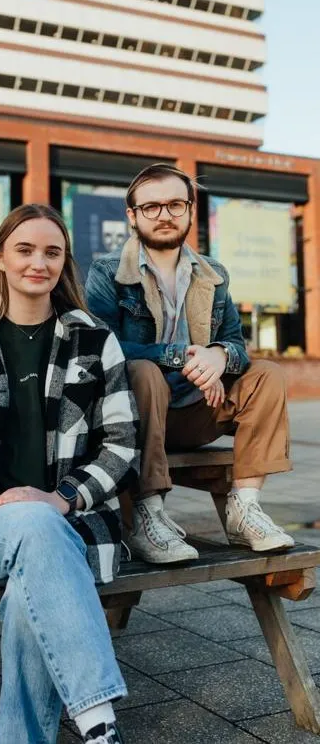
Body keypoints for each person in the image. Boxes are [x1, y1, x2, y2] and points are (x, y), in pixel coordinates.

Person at [0, 204, 140, 744]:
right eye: (26, 249)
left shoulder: (93, 339)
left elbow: (122, 443)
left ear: (65, 264)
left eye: (52, 252)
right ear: (0, 261)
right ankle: (98, 719)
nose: (39, 262)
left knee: (28, 593)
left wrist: (63, 497)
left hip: (72, 522)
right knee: (33, 526)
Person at [85, 163, 294, 564]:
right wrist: (180, 357)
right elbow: (101, 347)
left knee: (267, 374)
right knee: (143, 371)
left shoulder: (213, 274)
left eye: (175, 204)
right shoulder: (108, 272)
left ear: (190, 210)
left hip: (198, 412)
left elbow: (236, 344)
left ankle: (245, 509)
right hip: (137, 418)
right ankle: (148, 513)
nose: (164, 214)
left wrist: (218, 355)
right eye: (151, 207)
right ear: (132, 216)